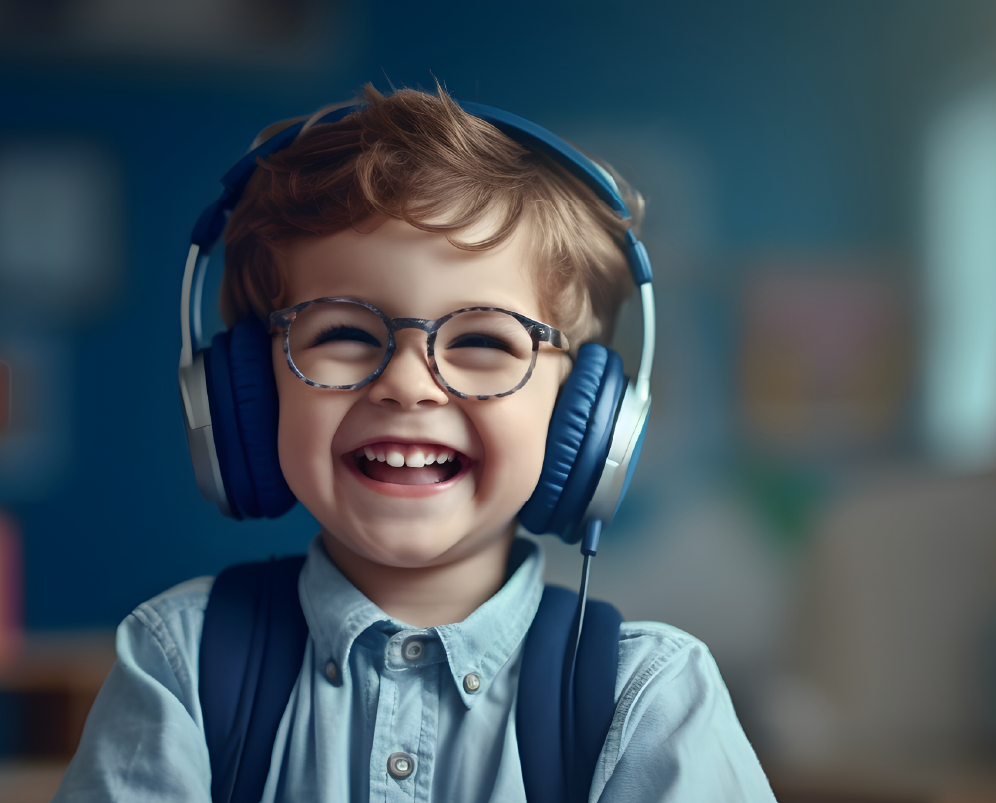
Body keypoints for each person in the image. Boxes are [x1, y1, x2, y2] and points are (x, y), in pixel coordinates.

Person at [53, 85, 777, 802]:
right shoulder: (178, 665)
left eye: (486, 340)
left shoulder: (647, 697)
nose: (408, 383)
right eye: (339, 332)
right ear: (251, 389)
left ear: (580, 414)